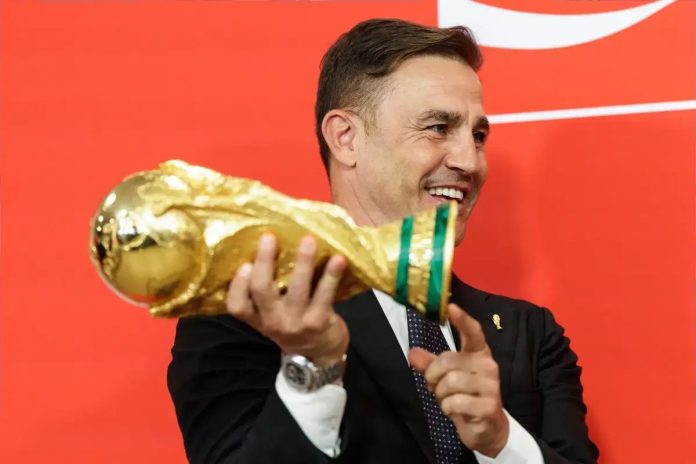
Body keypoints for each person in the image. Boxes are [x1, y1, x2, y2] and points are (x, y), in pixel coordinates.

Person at [167, 18, 599, 464]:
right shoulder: (249, 310)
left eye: (478, 135)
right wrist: (312, 370)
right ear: (346, 138)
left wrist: (502, 441)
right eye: (438, 127)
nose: (470, 161)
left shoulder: (530, 334)